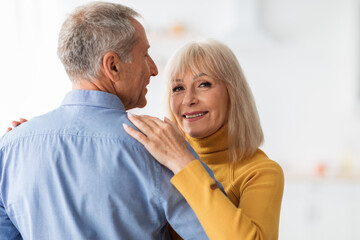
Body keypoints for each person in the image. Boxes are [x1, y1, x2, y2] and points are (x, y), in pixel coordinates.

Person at [0, 2, 216, 239]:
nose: (154, 69)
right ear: (113, 66)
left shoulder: (11, 148)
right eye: (145, 55)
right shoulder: (158, 148)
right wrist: (184, 162)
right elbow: (217, 232)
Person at [124, 39, 285, 240]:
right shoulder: (160, 162)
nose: (188, 99)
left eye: (203, 84)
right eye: (178, 88)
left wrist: (184, 163)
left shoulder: (261, 172)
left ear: (232, 92)